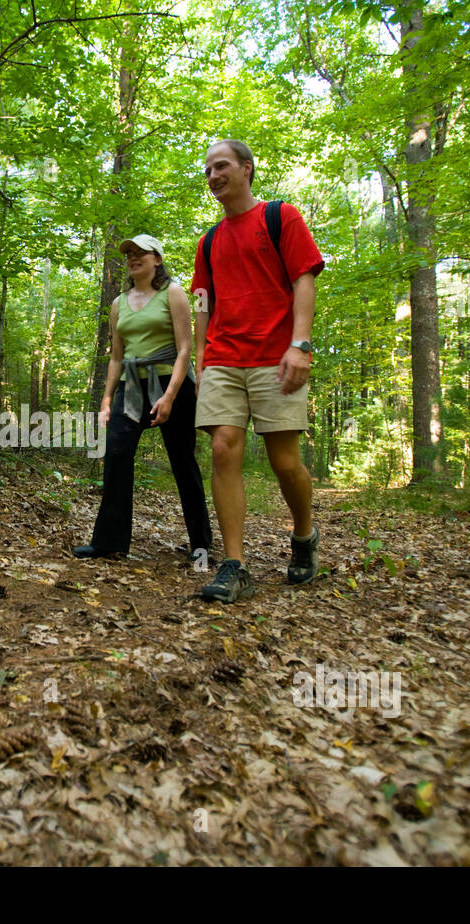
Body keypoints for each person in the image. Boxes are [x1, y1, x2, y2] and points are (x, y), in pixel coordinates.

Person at [190, 139, 325, 603]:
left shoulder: (280, 217)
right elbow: (203, 302)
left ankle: (304, 537)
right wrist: (202, 359)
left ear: (246, 169)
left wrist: (300, 345)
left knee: (285, 463)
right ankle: (235, 564)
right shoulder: (207, 242)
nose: (213, 175)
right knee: (223, 448)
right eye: (207, 169)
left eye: (221, 166)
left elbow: (303, 279)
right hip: (225, 357)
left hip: (276, 356)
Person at [74, 234, 212, 562]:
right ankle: (109, 542)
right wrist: (108, 398)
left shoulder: (173, 293)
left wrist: (170, 395)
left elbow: (184, 350)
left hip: (170, 382)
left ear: (157, 259)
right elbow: (116, 357)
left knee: (183, 462)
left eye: (141, 253)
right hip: (131, 385)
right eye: (129, 254)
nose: (134, 258)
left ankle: (201, 544)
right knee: (117, 456)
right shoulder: (119, 304)